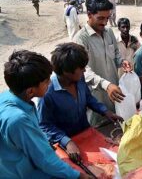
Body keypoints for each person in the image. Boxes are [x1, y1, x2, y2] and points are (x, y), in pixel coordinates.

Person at [0, 50, 90, 178]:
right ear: (30, 91)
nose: (50, 83)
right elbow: (45, 160)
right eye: (46, 81)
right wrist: (78, 176)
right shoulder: (18, 120)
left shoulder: (9, 96)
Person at [37, 43, 123, 162]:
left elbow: (88, 98)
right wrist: (66, 141)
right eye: (81, 68)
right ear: (67, 71)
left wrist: (105, 111)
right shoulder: (47, 94)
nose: (84, 71)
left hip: (87, 133)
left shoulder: (79, 78)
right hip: (67, 145)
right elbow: (44, 125)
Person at [73, 0, 131, 128]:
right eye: (100, 18)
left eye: (107, 18)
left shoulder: (109, 32)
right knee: (98, 131)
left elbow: (116, 54)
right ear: (89, 15)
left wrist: (122, 62)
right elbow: (84, 71)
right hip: (95, 99)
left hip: (114, 95)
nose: (105, 22)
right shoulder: (81, 39)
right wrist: (106, 85)